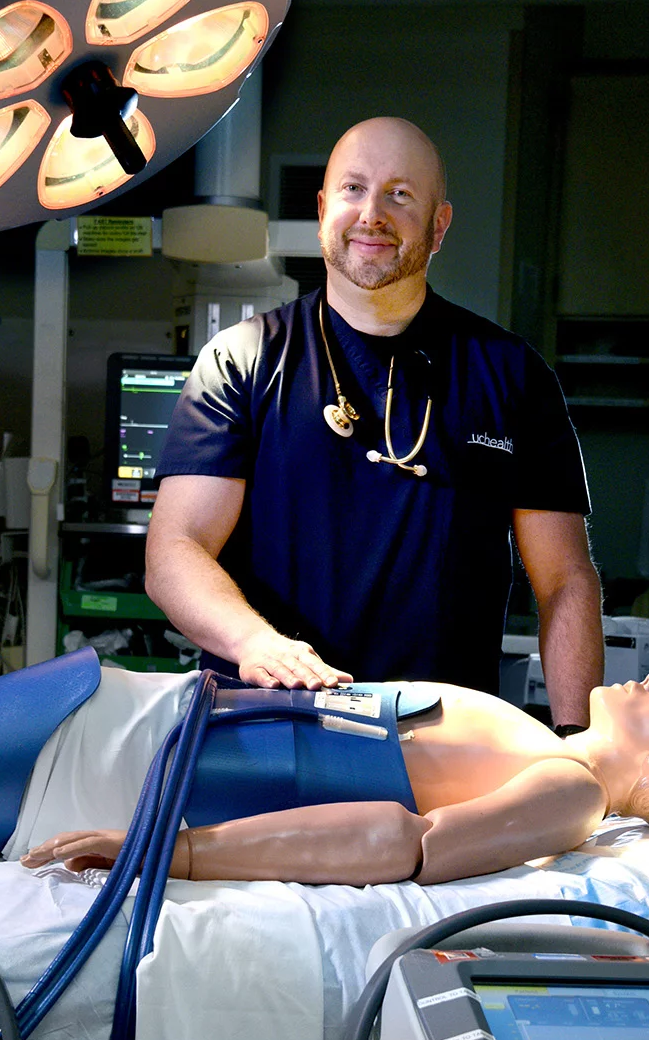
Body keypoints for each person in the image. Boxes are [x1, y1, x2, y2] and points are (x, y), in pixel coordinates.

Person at [145, 116, 604, 730]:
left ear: (439, 225)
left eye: (400, 194)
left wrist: (578, 740)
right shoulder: (242, 362)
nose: (372, 214)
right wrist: (255, 642)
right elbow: (176, 548)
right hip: (270, 729)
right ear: (321, 208)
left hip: (444, 741)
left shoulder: (513, 377)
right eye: (353, 189)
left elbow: (565, 581)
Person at [21, 673, 649, 888]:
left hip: (160, 759)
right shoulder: (551, 754)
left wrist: (175, 851)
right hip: (177, 722)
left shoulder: (574, 794)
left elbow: (401, 842)